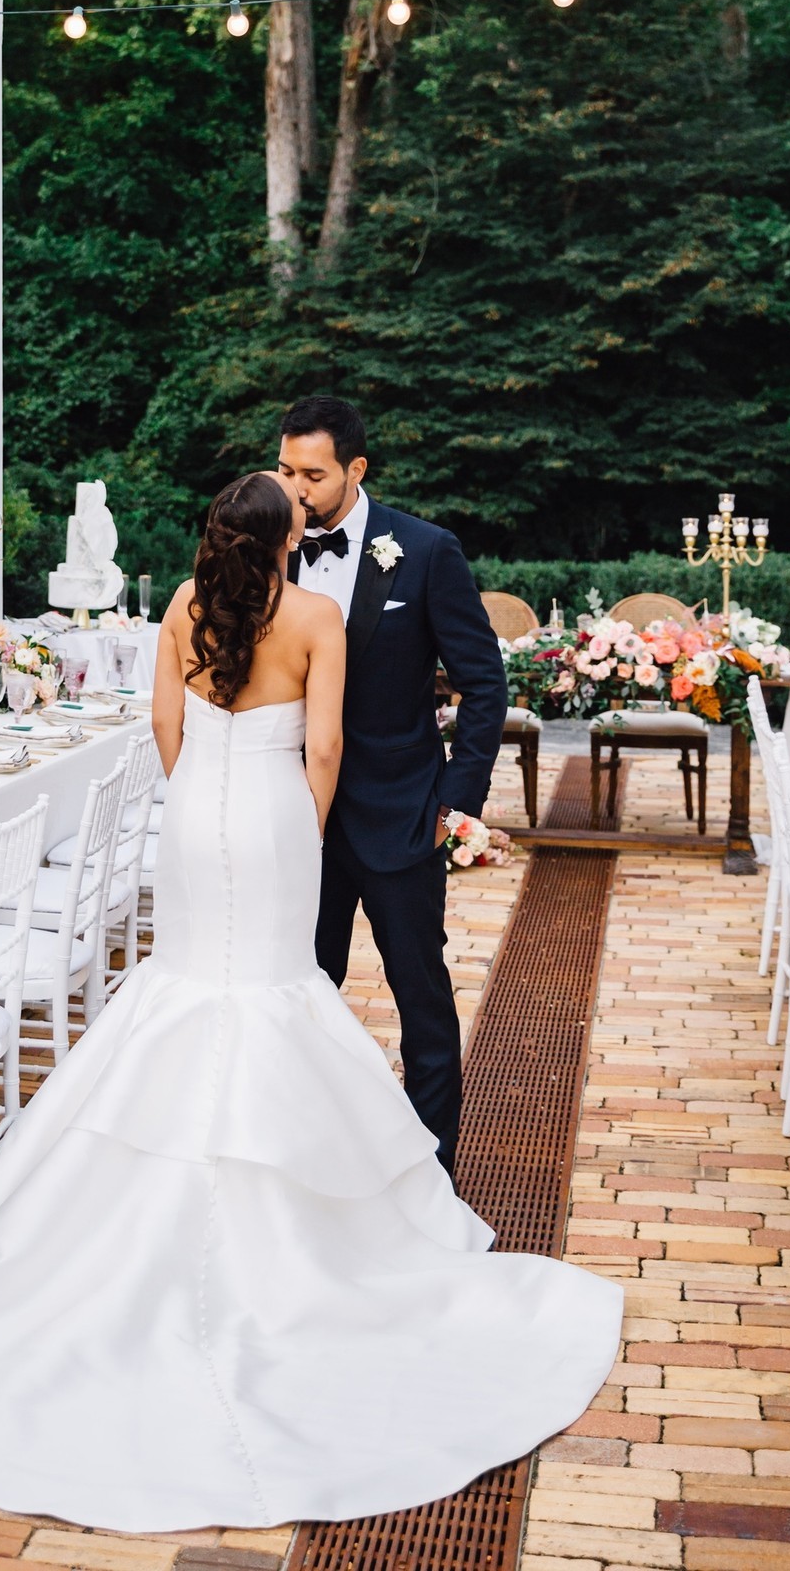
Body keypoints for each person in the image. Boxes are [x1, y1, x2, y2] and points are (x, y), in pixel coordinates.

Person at [0, 470, 621, 1533]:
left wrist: (202, 793)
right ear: (285, 538)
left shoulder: (179, 610)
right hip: (281, 817)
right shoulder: (316, 615)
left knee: (186, 987)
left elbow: (165, 728)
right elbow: (326, 745)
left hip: (194, 815)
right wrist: (299, 816)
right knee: (276, 993)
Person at [279, 396, 507, 1168]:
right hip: (297, 819)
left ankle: (432, 1172)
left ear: (356, 469)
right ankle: (310, 1157)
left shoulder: (426, 549)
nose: (297, 488)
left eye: (313, 473)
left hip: (401, 813)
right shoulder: (268, 549)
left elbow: (485, 684)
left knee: (422, 998)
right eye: (286, 469)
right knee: (301, 999)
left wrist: (456, 806)